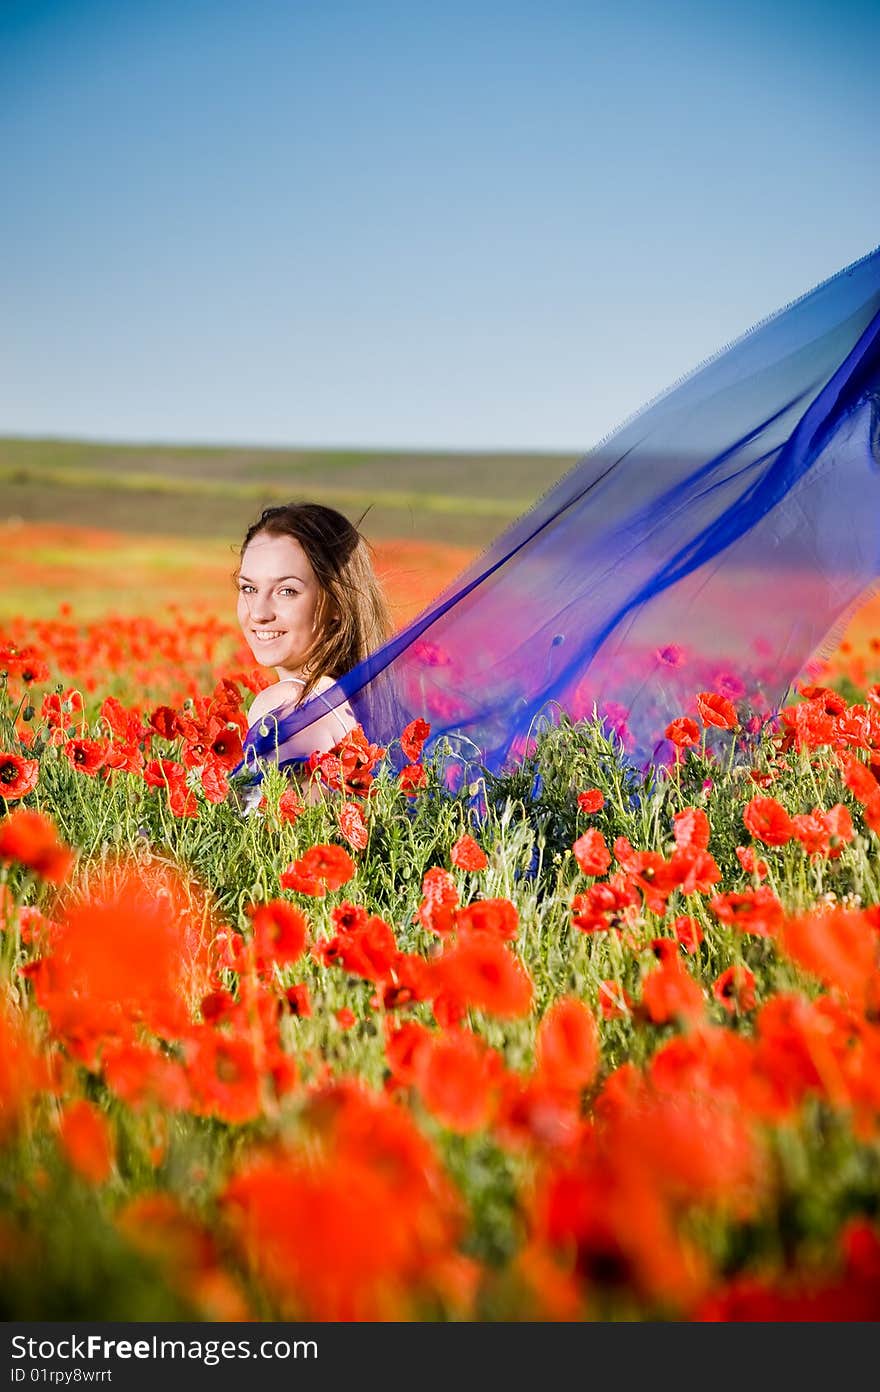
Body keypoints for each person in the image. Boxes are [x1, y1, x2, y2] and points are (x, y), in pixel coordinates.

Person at [235, 502, 392, 780]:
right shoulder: (357, 704)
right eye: (249, 588)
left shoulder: (287, 705)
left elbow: (271, 821)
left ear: (337, 605)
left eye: (287, 591)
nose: (258, 612)